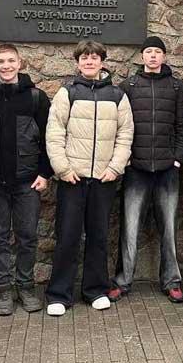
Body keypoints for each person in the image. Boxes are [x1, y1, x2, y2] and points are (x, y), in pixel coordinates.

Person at [45, 40, 134, 316]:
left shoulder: (117, 95)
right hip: (72, 178)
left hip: (104, 179)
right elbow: (54, 132)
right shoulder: (67, 93)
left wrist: (115, 168)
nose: (89, 62)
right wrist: (63, 168)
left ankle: (96, 290)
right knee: (67, 236)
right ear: (78, 62)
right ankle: (59, 294)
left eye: (94, 57)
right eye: (84, 58)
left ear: (102, 62)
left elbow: (125, 135)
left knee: (98, 236)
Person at [0, 44, 52, 316]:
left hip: (27, 181)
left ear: (20, 63)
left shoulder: (35, 97)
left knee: (27, 237)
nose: (6, 66)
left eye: (10, 61)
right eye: (0, 61)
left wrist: (44, 173)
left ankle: (26, 288)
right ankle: (4, 290)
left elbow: (49, 138)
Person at [108, 36, 183, 303]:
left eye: (157, 51)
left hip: (167, 169)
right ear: (142, 56)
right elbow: (121, 127)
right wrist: (127, 158)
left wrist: (178, 158)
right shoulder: (128, 86)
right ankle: (122, 281)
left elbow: (181, 126)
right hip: (137, 168)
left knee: (169, 228)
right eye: (148, 51)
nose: (153, 56)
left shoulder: (177, 87)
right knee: (129, 228)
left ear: (164, 56)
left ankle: (172, 281)